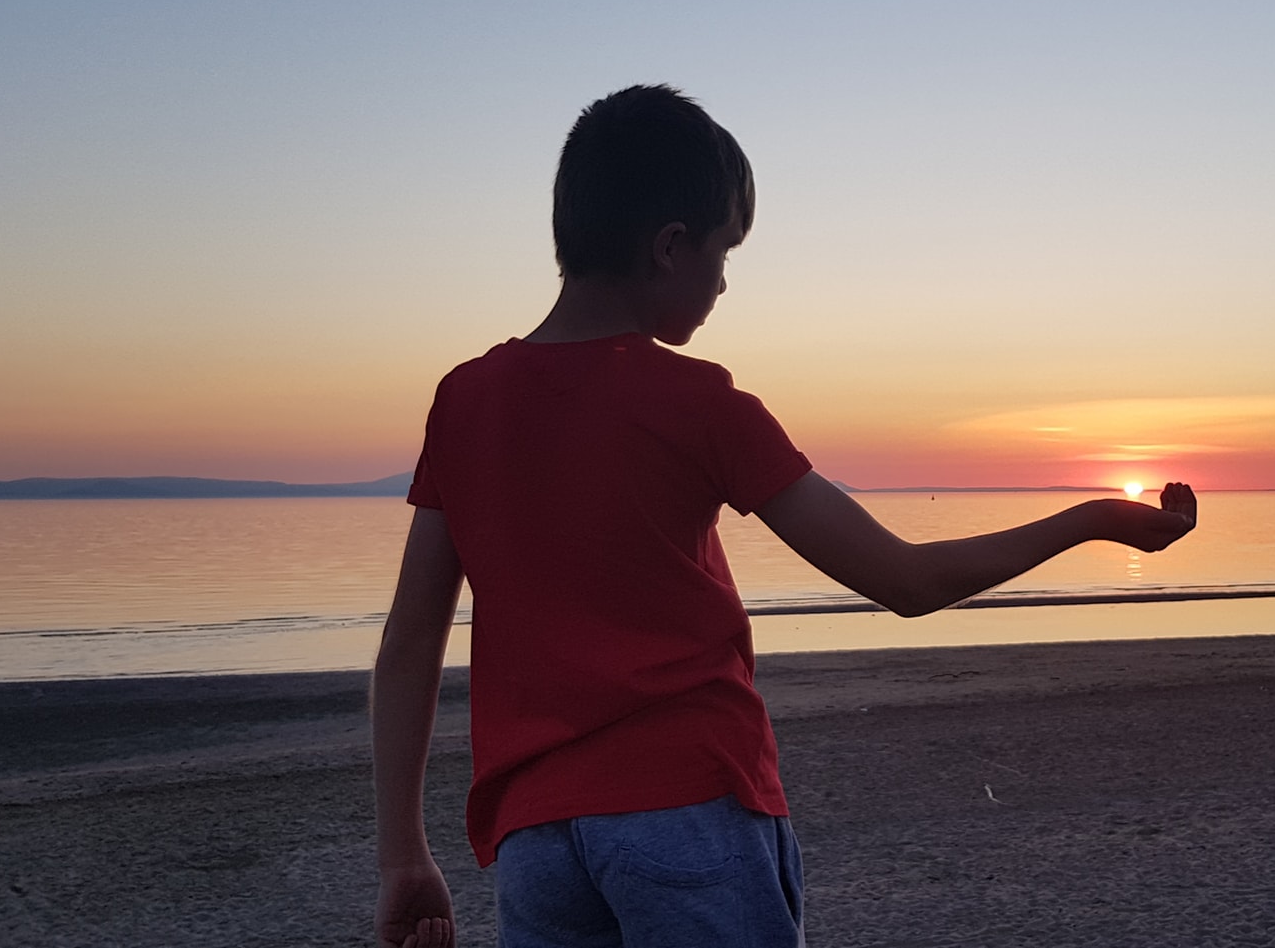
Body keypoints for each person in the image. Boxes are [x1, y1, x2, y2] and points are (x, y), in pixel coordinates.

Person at [370, 84, 1199, 948]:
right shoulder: (702, 403)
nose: (726, 280)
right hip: (689, 807)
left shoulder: (465, 401)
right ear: (668, 247)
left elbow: (408, 643)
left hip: (535, 842)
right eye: (725, 251)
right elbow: (905, 580)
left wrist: (402, 858)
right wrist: (1093, 519)